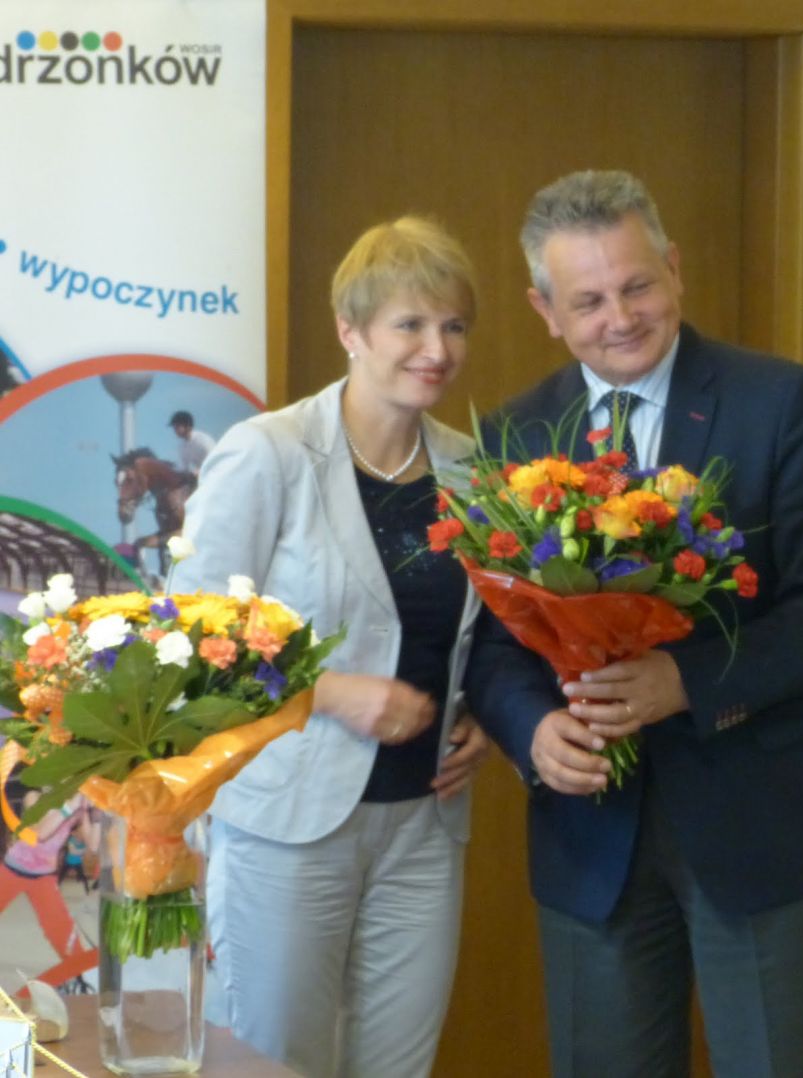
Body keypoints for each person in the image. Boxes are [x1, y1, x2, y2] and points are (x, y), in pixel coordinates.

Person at [467, 169, 803, 1078]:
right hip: (589, 839)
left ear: (676, 269)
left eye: (638, 285)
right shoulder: (513, 436)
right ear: (545, 310)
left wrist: (682, 683)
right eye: (589, 300)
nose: (620, 317)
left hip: (761, 824)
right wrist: (531, 732)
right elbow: (494, 644)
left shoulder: (780, 403)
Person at [173, 215, 489, 1078]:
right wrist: (334, 694)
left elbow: (487, 635)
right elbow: (188, 641)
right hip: (286, 823)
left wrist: (486, 720)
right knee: (275, 1065)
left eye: (454, 325)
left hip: (424, 825)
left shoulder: (475, 470)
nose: (437, 349)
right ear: (351, 330)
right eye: (410, 324)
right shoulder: (267, 454)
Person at [0, 791, 97, 986]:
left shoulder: (79, 809)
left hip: (44, 876)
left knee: (59, 927)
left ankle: (78, 973)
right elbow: (40, 833)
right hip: (13, 868)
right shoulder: (34, 796)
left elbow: (93, 845)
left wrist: (96, 814)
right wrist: (71, 805)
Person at [168, 410, 215, 476]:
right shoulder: (181, 447)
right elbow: (184, 468)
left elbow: (214, 459)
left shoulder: (202, 439)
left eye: (177, 427)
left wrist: (199, 471)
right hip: (202, 475)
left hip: (218, 471)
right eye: (174, 427)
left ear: (187, 426)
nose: (175, 430)